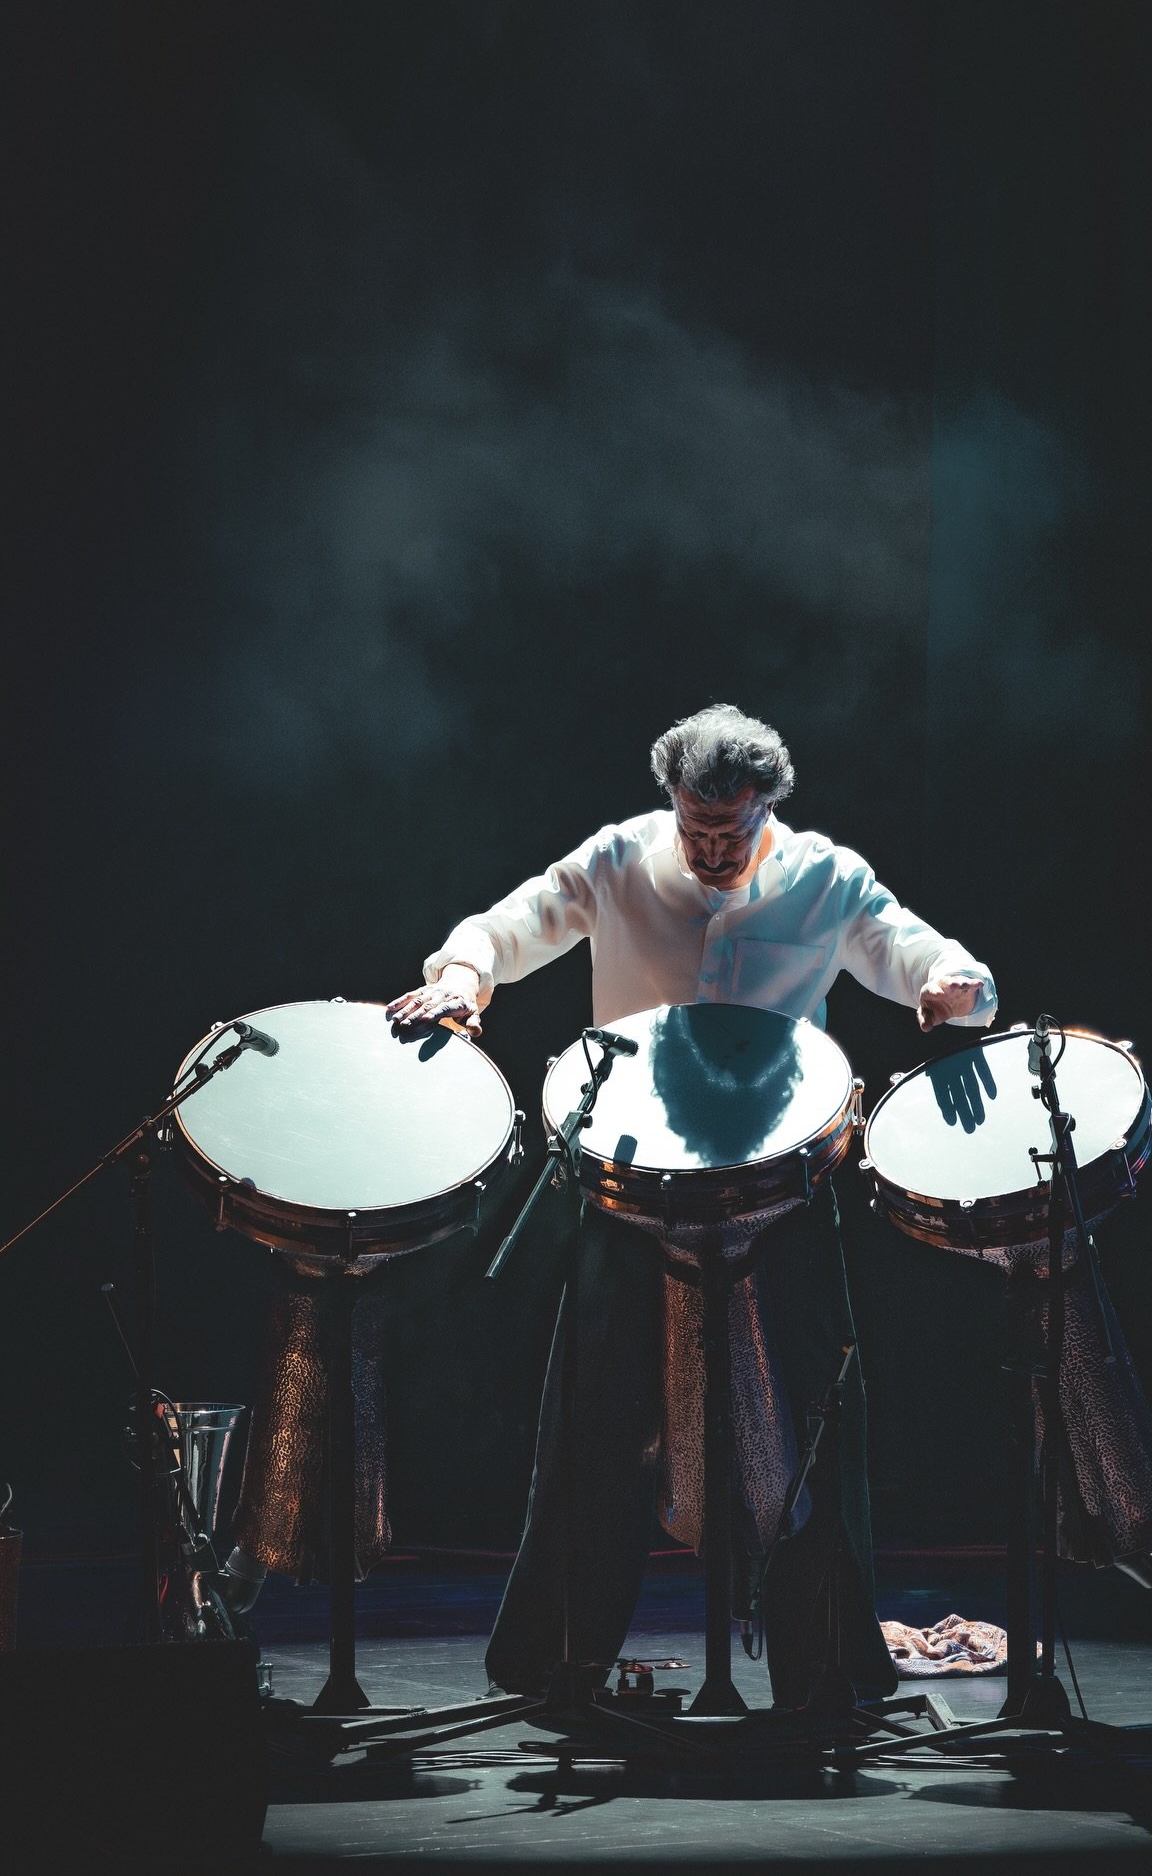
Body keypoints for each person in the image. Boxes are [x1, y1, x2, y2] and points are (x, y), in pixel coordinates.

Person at [387, 704, 997, 1705]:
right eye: (697, 830)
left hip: (782, 1193)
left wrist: (954, 986)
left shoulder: (824, 877)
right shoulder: (622, 858)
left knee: (814, 1422)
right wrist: (461, 977)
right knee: (593, 1419)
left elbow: (917, 953)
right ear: (672, 808)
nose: (713, 853)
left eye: (734, 832)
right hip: (630, 1185)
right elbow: (513, 924)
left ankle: (828, 1668)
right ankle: (559, 1661)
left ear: (768, 809)